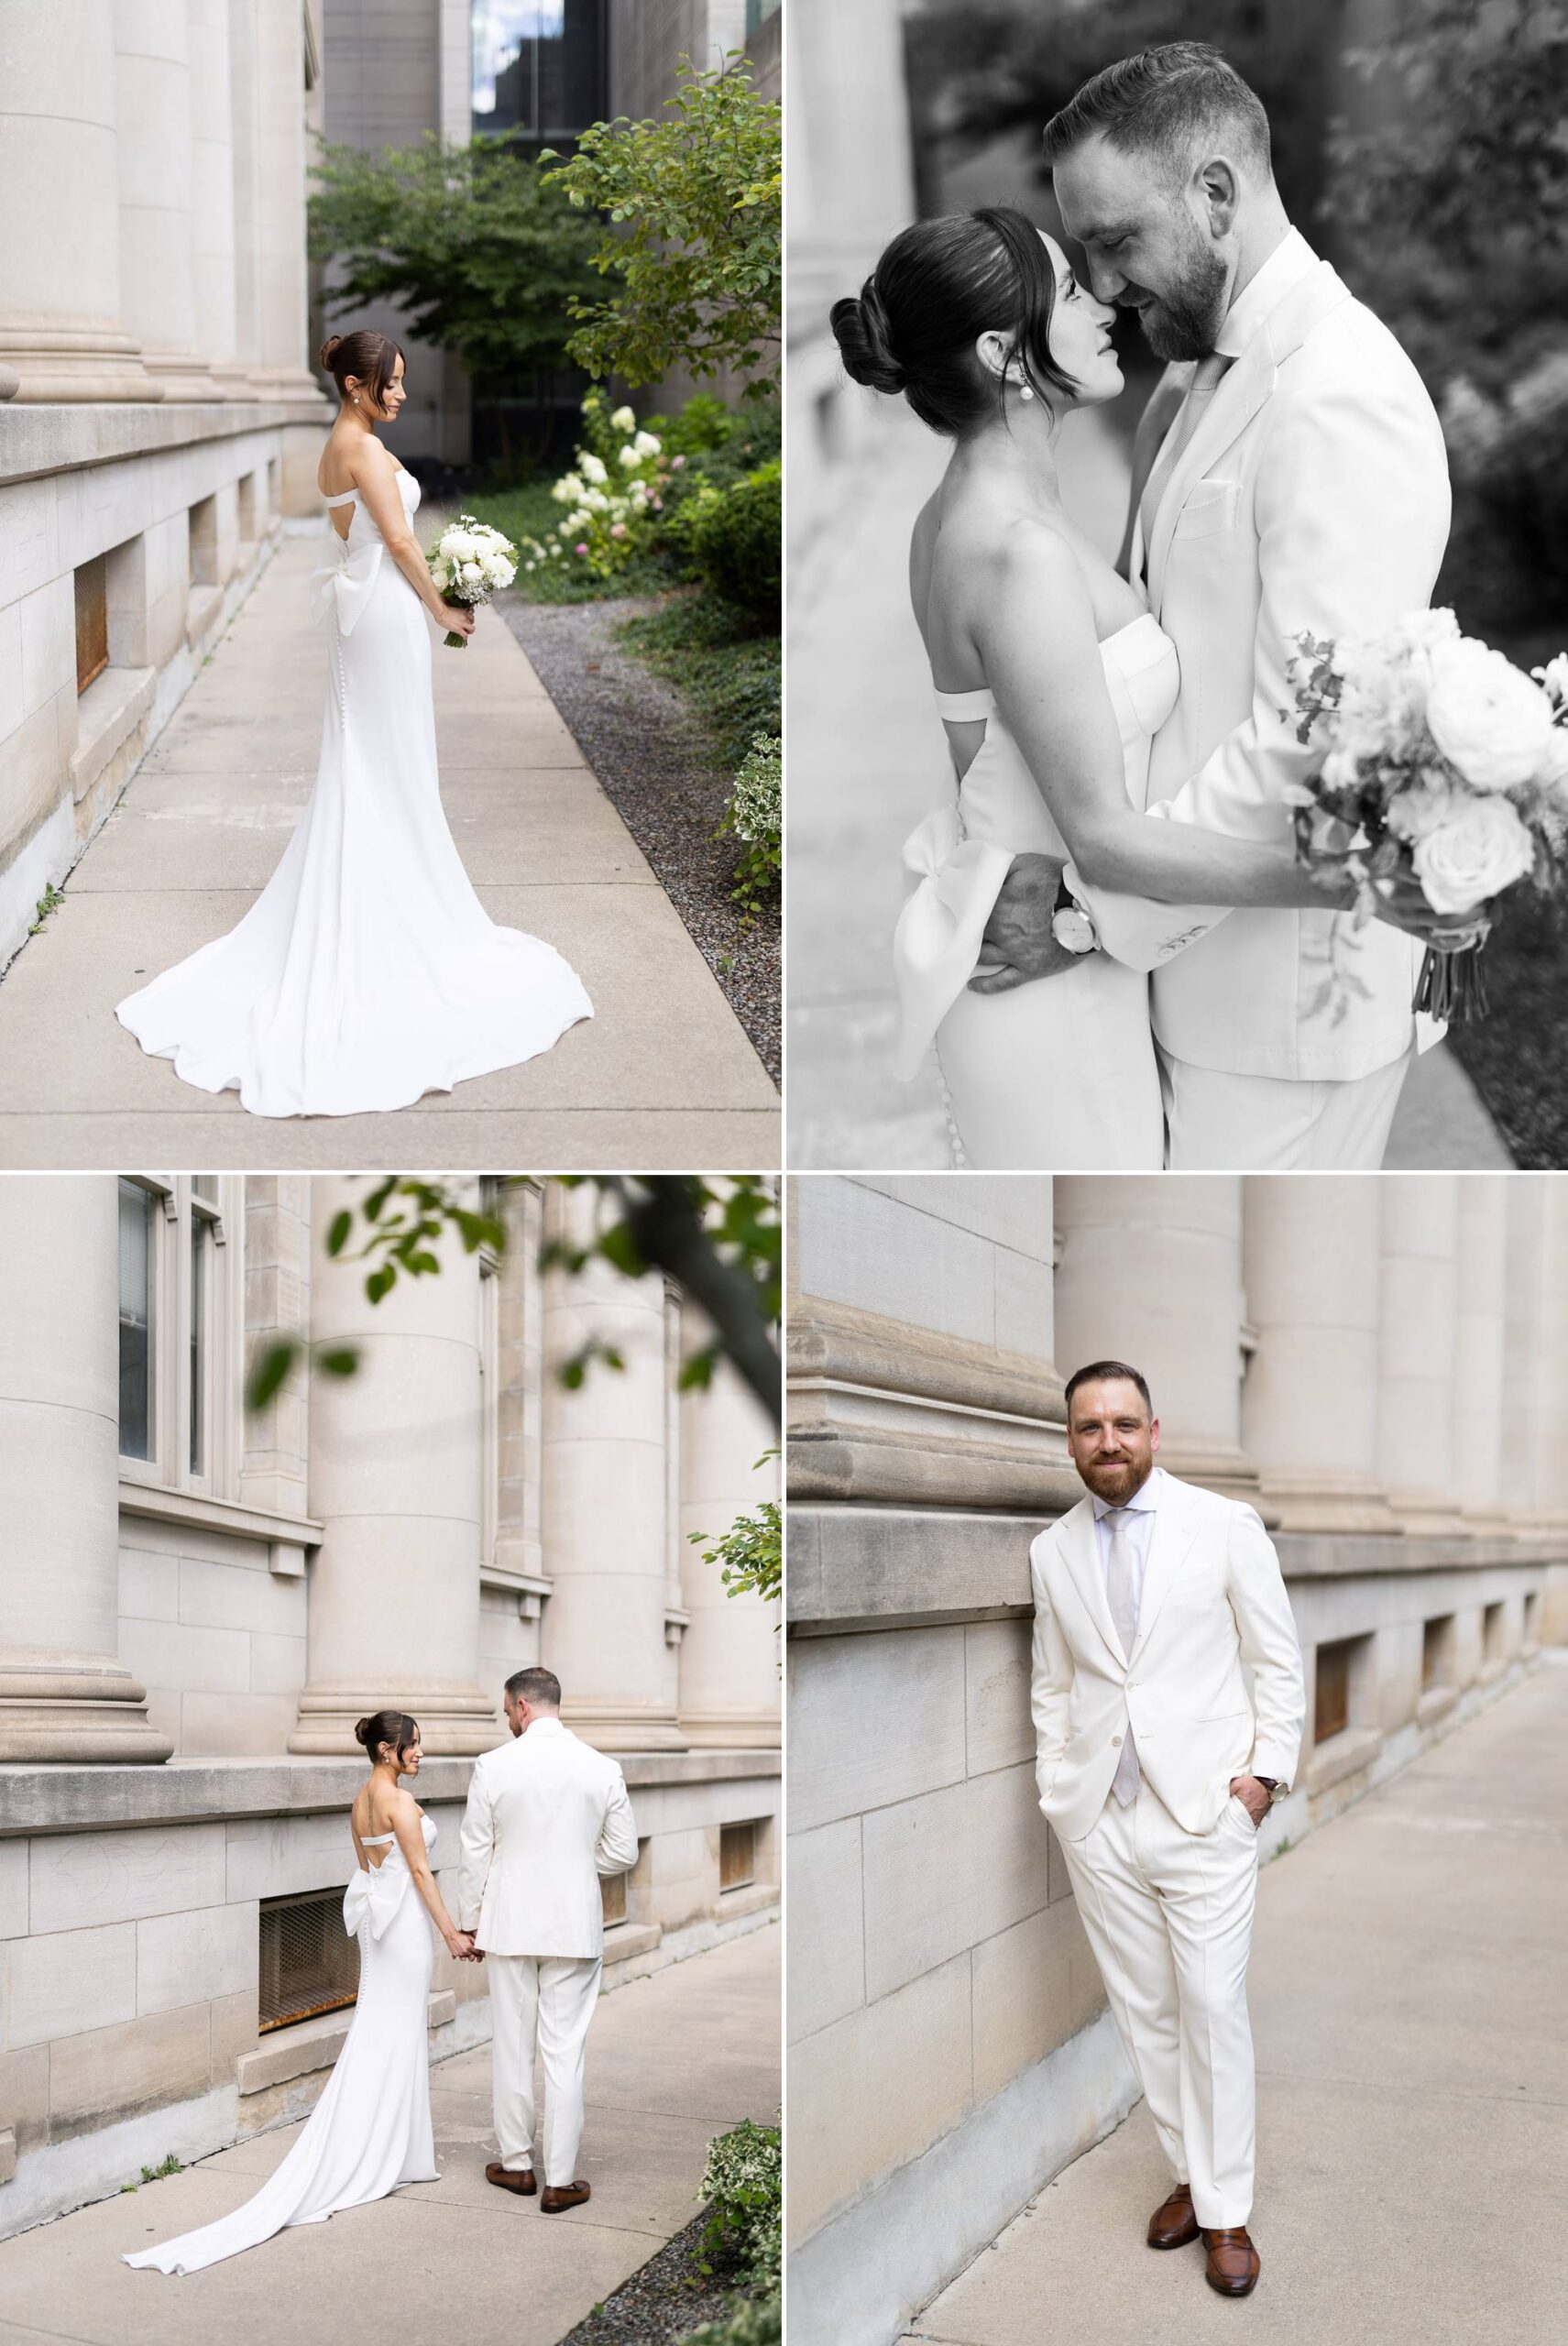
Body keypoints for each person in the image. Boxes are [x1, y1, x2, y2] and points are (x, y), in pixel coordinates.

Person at [115, 327, 592, 1116]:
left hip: (368, 614)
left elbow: (377, 537)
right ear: (353, 386)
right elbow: (399, 540)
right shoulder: (361, 449)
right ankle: (392, 913)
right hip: (382, 617)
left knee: (379, 760)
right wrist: (444, 601)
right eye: (391, 383)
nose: (401, 393)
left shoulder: (348, 441)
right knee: (385, 760)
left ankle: (398, 882)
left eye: (402, 381)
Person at [1030, 1364, 1304, 2298]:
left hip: (1204, 1814)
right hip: (1100, 1819)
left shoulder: (1223, 1526)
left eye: (1122, 1423)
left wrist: (1262, 1778)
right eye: (1086, 1426)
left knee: (1212, 2008)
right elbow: (1053, 1681)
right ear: (1069, 1439)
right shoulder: (1049, 1551)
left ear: (1155, 1429)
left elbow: (1274, 1658)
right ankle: (1192, 2173)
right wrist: (1056, 1783)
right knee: (1146, 2014)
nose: (1105, 1440)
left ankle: (1227, 2214)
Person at [125, 1712, 481, 2276]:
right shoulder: (401, 1805)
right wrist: (453, 1934)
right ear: (388, 1750)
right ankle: (385, 2153)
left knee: (381, 2028)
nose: (421, 1755)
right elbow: (419, 1875)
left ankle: (396, 2150)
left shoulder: (360, 1800)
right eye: (415, 1747)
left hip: (376, 1930)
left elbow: (366, 1868)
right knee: (396, 2032)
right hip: (405, 1928)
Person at [458, 1667, 639, 2212]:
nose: (507, 1718)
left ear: (521, 1707)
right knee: (565, 2052)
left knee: (513, 2046)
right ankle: (560, 2180)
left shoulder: (493, 1765)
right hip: (573, 1927)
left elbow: (474, 1852)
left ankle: (516, 2167)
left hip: (509, 1924)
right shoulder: (603, 1768)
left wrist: (470, 1920)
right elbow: (623, 1852)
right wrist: (581, 1872)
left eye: (507, 1709)